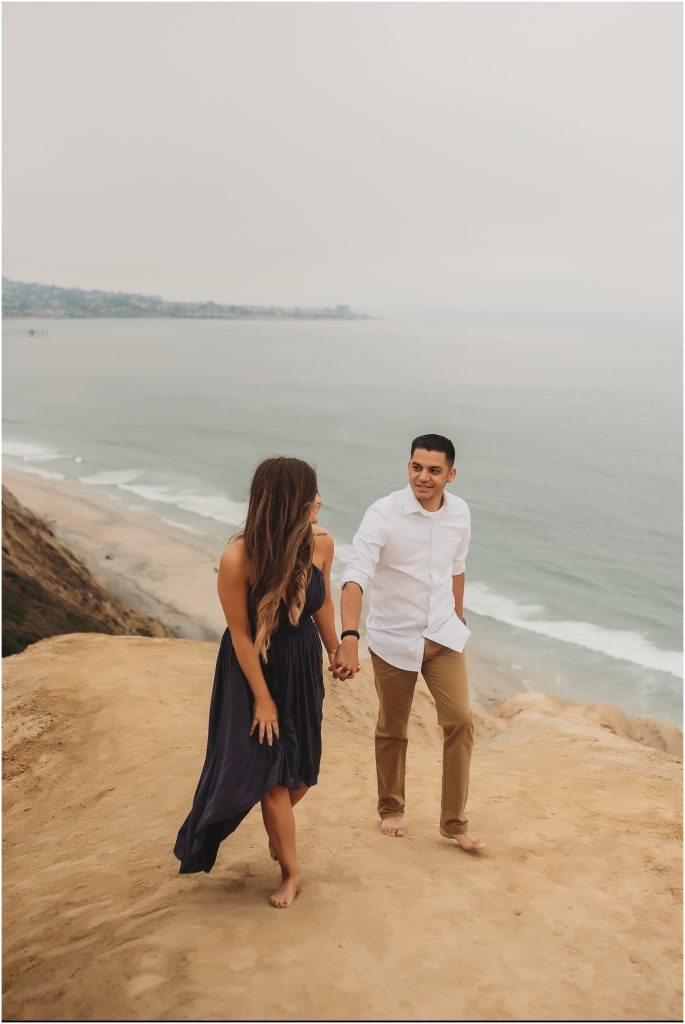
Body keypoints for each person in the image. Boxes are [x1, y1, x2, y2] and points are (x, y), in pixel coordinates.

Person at [173, 456, 348, 907]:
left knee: (303, 771)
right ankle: (291, 871)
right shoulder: (239, 557)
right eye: (312, 492)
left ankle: (279, 828)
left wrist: (336, 648)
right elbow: (240, 633)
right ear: (290, 501)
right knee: (273, 776)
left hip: (302, 663)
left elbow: (320, 603)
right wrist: (262, 698)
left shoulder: (321, 544)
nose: (320, 500)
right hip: (253, 669)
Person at [334, 433, 486, 852]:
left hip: (443, 636)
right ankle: (391, 808)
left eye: (434, 470)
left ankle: (454, 823)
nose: (423, 476)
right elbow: (355, 577)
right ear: (408, 467)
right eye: (416, 467)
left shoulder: (461, 514)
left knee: (460, 720)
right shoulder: (382, 514)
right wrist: (350, 635)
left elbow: (457, 567)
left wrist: (457, 613)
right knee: (393, 727)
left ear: (450, 474)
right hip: (394, 639)